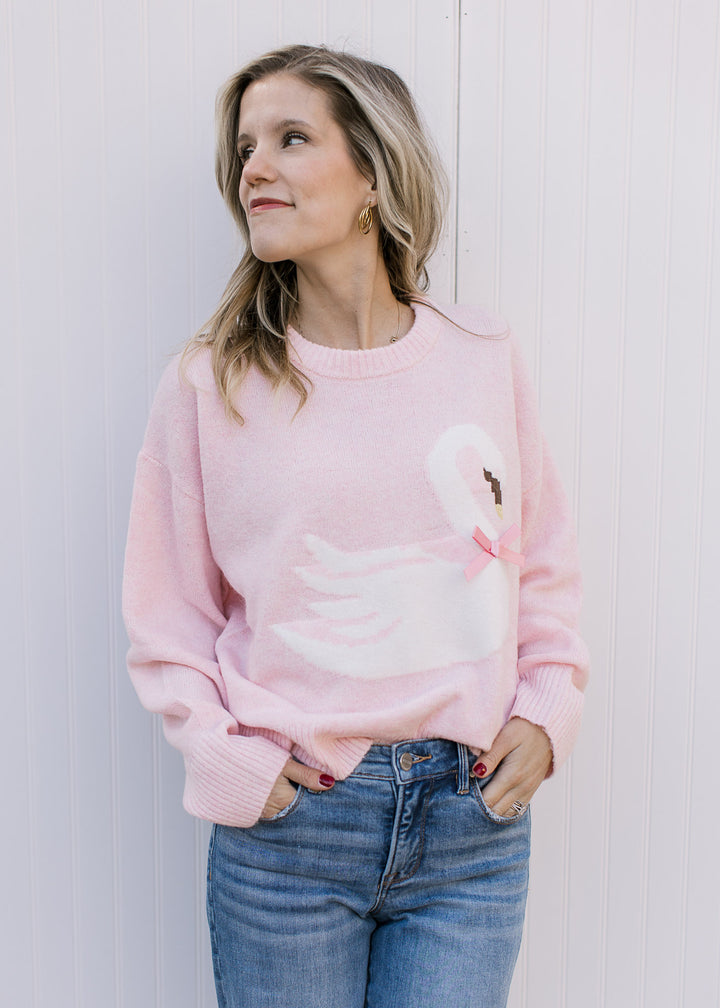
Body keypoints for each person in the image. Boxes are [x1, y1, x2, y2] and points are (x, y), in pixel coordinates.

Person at [123, 43, 589, 1008]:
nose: (254, 167)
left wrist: (548, 709)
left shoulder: (482, 354)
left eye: (292, 138)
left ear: (373, 173)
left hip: (474, 826)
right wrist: (230, 757)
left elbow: (536, 560)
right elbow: (167, 615)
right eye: (245, 147)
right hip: (293, 836)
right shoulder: (210, 385)